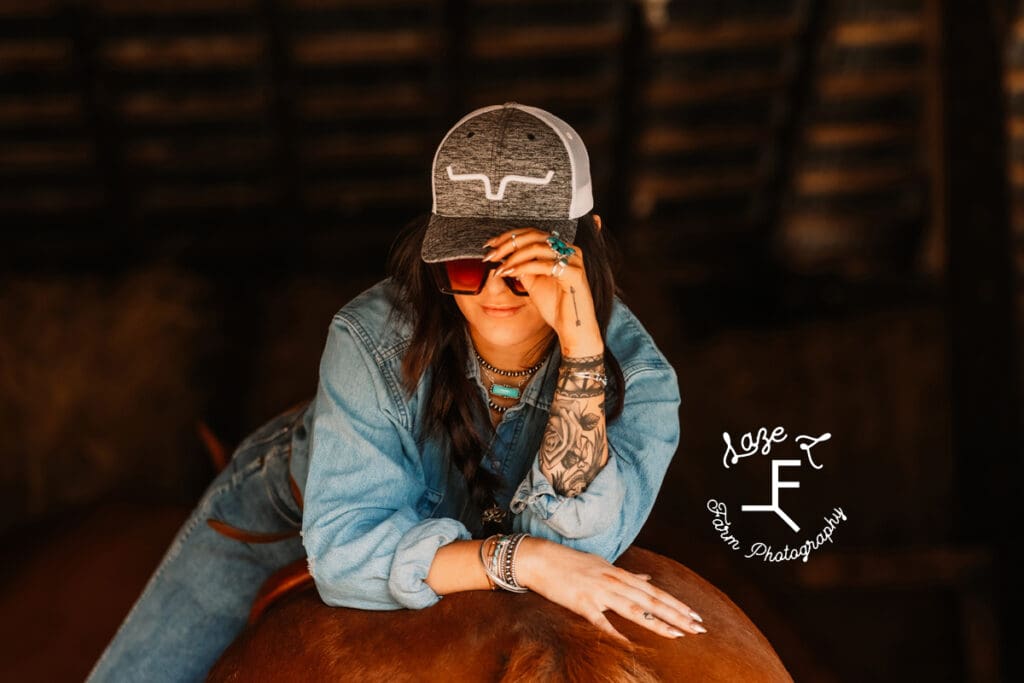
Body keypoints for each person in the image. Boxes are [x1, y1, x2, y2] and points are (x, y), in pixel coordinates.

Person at [86, 102, 702, 683]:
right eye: (466, 261)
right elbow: (346, 554)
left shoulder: (642, 380)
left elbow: (579, 546)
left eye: (526, 263)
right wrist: (525, 561)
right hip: (292, 515)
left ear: (585, 237)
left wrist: (582, 355)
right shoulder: (372, 335)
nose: (493, 290)